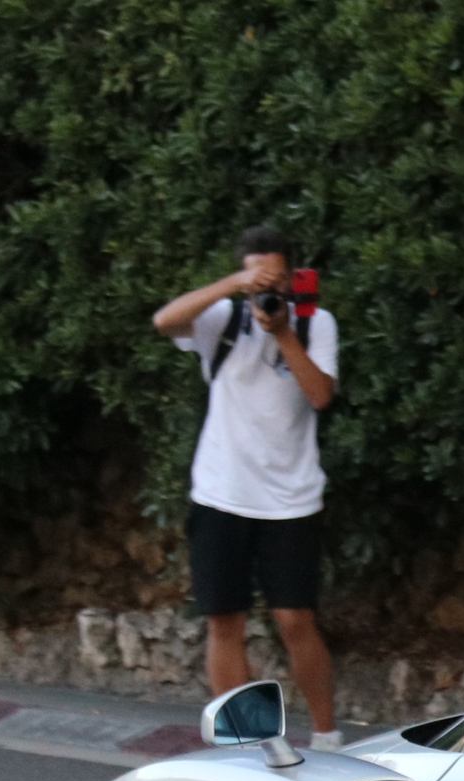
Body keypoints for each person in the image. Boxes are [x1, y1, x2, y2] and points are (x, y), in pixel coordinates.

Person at [151, 225, 344, 748]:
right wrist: (234, 284)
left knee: (295, 619)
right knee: (224, 620)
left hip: (291, 500)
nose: (268, 288)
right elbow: (165, 319)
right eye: (259, 276)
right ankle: (240, 745)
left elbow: (321, 395)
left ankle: (326, 736)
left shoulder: (314, 323)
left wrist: (282, 331)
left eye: (276, 278)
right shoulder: (222, 319)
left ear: (292, 277)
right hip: (222, 493)